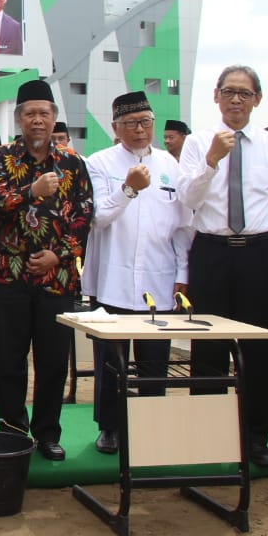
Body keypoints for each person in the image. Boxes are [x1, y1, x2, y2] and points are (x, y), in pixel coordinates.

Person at [176, 65, 268, 469]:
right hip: (212, 253)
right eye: (228, 92)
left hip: (260, 255)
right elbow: (188, 201)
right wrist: (211, 161)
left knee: (260, 350)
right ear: (215, 96)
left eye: (244, 94)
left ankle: (255, 436)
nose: (235, 100)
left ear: (257, 100)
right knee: (208, 350)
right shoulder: (197, 143)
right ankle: (209, 437)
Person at [0, 79, 94, 461]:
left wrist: (58, 256)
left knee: (51, 363)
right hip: (10, 278)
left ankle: (48, 433)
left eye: (44, 113)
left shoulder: (73, 162)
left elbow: (84, 218)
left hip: (58, 280)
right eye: (29, 113)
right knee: (9, 361)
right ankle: (13, 432)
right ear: (18, 118)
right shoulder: (2, 158)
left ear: (53, 119)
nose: (37, 120)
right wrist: (32, 191)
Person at [83, 92, 193, 454]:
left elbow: (182, 227)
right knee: (111, 361)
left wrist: (183, 272)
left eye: (146, 121)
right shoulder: (99, 162)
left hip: (159, 281)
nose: (140, 130)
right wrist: (129, 189)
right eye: (131, 123)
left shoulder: (171, 166)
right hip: (111, 281)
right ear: (116, 127)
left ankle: (150, 425)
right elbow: (98, 217)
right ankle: (109, 427)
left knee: (154, 360)